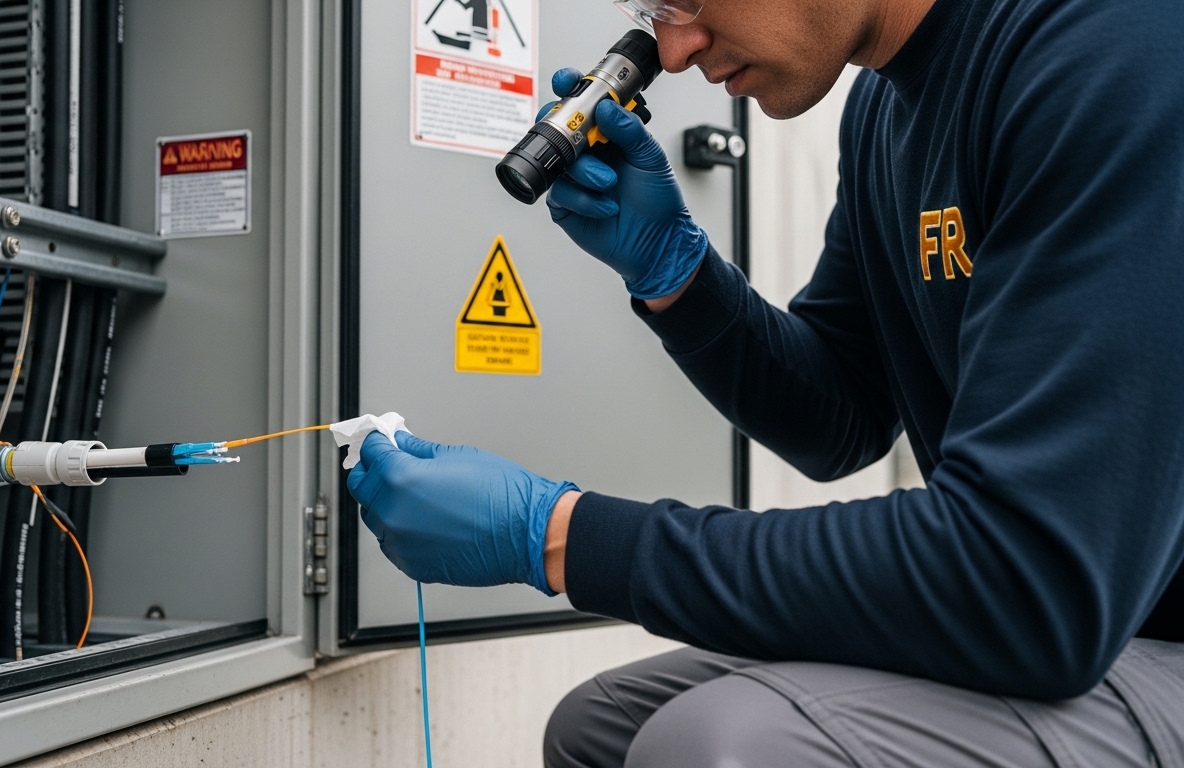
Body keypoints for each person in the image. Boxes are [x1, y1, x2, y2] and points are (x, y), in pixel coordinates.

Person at [345, 0, 1184, 763]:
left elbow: (1028, 577)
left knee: (722, 745)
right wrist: (677, 276)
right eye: (650, 11)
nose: (673, 52)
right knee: (601, 725)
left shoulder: (1117, 46)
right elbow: (844, 415)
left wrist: (558, 534)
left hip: (1117, 623)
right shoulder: (884, 110)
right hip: (1070, 621)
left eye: (687, 1)